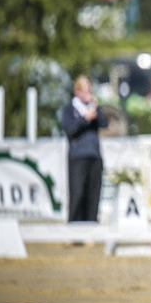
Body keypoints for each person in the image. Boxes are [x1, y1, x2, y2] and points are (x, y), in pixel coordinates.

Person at [61, 75, 108, 223]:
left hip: (94, 156)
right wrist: (84, 119)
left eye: (89, 90)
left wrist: (95, 109)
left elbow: (104, 123)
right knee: (77, 193)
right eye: (84, 91)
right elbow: (70, 130)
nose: (88, 94)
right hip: (77, 157)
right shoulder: (69, 109)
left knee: (93, 193)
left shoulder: (93, 108)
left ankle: (91, 227)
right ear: (77, 92)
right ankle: (74, 228)